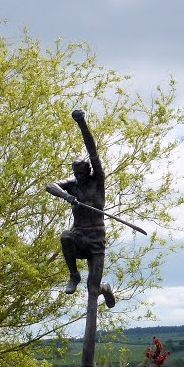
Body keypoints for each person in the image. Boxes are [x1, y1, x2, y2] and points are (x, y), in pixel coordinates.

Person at [46, 110, 115, 309]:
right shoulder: (72, 184)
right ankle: (73, 275)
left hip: (96, 238)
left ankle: (104, 288)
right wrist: (66, 195)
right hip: (79, 236)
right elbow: (50, 185)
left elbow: (92, 149)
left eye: (82, 173)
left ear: (89, 171)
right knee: (65, 236)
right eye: (76, 174)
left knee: (92, 288)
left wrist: (81, 122)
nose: (79, 177)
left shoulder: (97, 180)